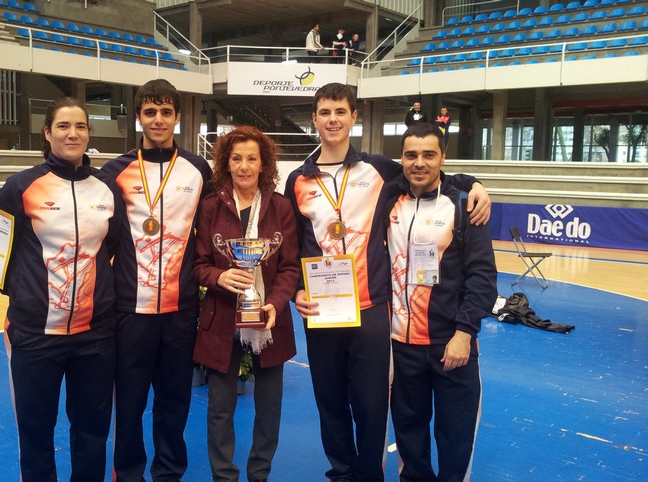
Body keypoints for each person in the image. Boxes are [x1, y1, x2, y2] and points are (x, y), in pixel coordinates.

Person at [284, 83, 491, 482]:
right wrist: (296, 290)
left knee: (372, 405)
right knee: (330, 401)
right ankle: (342, 473)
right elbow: (293, 247)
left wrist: (474, 183)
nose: (332, 120)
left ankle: (369, 476)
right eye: (325, 112)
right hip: (323, 309)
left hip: (374, 311)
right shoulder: (297, 179)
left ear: (353, 117)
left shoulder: (380, 170)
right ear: (314, 119)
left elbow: (431, 175)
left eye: (340, 111)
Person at [0, 98, 124, 481]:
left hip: (95, 334)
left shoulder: (106, 186)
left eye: (81, 127)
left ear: (89, 133)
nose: (73, 134)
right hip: (36, 334)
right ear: (47, 133)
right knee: (35, 432)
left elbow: (113, 247)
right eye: (64, 126)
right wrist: (24, 295)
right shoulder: (21, 186)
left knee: (92, 432)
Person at [101, 79, 212, 482]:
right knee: (129, 400)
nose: (159, 120)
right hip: (130, 307)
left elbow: (214, 227)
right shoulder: (114, 172)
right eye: (150, 112)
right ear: (138, 117)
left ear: (177, 117)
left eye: (166, 112)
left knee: (174, 398)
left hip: (181, 307)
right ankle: (128, 472)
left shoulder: (198, 169)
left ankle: (169, 471)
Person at [386, 122, 497, 482]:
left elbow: (483, 276)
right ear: (401, 158)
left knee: (455, 437)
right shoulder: (388, 198)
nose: (419, 163)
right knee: (409, 435)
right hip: (400, 346)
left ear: (443, 158)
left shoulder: (464, 205)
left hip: (451, 344)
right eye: (411, 155)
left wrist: (465, 332)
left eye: (429, 155)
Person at [192, 126, 300, 482]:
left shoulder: (281, 207)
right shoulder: (210, 207)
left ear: (263, 163)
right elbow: (199, 263)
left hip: (269, 321)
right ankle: (224, 476)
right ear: (226, 163)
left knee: (269, 410)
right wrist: (218, 278)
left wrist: (276, 302)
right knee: (220, 409)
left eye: (252, 158)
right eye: (236, 158)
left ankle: (259, 476)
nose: (244, 166)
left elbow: (288, 266)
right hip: (222, 318)